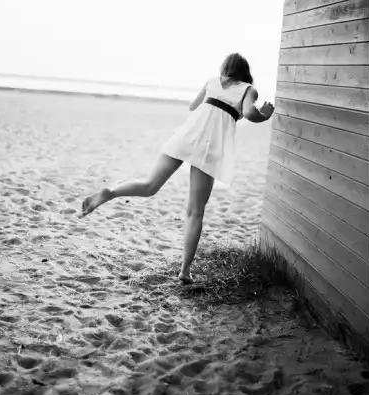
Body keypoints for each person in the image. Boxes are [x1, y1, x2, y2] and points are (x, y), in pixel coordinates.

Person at [81, 53, 275, 284]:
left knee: (149, 185)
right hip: (209, 148)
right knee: (195, 211)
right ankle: (185, 271)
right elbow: (250, 113)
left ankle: (111, 192)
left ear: (225, 68)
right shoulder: (248, 89)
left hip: (186, 136)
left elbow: (193, 106)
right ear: (245, 72)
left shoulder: (212, 82)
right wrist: (265, 115)